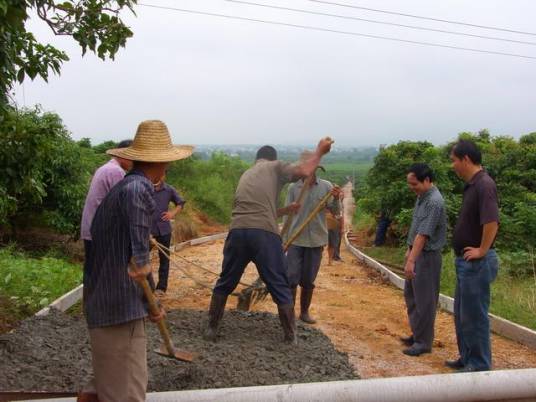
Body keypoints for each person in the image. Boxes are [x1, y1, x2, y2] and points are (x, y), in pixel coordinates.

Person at [79, 120, 193, 402]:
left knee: (97, 392)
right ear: (163, 162)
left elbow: (131, 249)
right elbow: (139, 259)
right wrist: (152, 302)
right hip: (120, 310)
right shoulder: (138, 190)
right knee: (126, 395)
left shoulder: (125, 187)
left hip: (105, 303)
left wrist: (151, 301)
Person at [203, 139, 333, 344]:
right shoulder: (274, 166)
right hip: (263, 235)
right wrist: (320, 152)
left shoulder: (247, 174)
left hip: (237, 232)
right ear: (271, 158)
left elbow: (258, 210)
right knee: (280, 285)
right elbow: (303, 171)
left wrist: (285, 210)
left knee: (225, 281)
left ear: (256, 159)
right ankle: (291, 337)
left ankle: (211, 329)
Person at [445, 139, 499, 373]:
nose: (453, 165)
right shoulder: (472, 185)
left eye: (454, 160)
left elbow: (491, 222)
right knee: (463, 314)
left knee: (475, 316)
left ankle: (479, 365)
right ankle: (467, 357)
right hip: (466, 262)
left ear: (466, 159)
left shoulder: (484, 185)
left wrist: (482, 250)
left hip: (477, 263)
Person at [285, 160, 340, 324]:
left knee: (308, 279)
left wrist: (336, 199)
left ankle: (304, 312)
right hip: (296, 239)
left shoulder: (326, 187)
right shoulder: (293, 188)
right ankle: (290, 313)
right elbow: (287, 214)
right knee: (291, 277)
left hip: (316, 240)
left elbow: (335, 211)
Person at [400, 163, 447, 356]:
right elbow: (415, 226)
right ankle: (417, 333)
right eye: (410, 184)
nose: (412, 188)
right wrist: (409, 250)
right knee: (412, 297)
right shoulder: (422, 197)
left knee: (425, 300)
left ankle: (423, 342)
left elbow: (424, 234)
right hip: (417, 252)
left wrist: (412, 260)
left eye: (415, 184)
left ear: (427, 180)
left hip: (426, 257)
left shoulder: (434, 202)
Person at [80, 140, 133, 285]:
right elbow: (122, 205)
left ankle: (90, 305)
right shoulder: (116, 171)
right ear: (122, 154)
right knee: (103, 275)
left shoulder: (106, 168)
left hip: (92, 228)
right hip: (100, 231)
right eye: (132, 156)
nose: (134, 161)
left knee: (92, 272)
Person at [150, 175, 185, 295]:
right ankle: (147, 287)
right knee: (142, 258)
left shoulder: (169, 189)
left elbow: (180, 203)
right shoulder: (144, 188)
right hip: (146, 230)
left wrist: (172, 213)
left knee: (164, 258)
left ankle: (161, 287)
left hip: (164, 229)